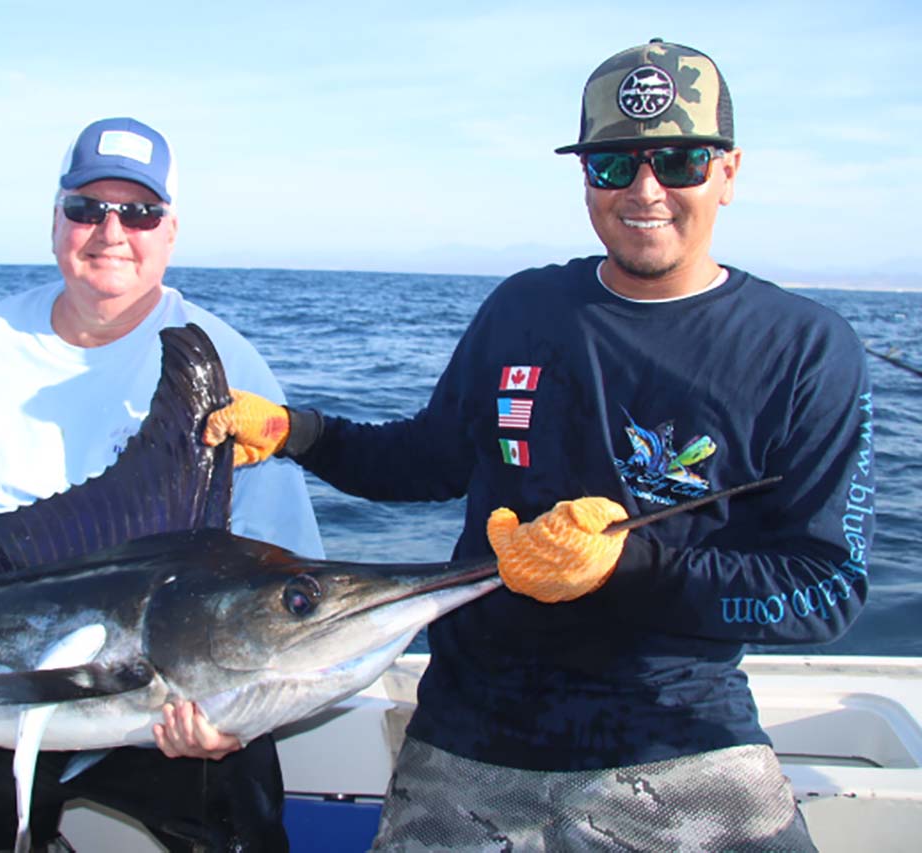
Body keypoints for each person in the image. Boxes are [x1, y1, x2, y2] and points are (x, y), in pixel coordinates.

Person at [205, 39, 874, 851]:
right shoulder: (524, 306)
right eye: (613, 165)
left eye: (680, 160)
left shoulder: (804, 346)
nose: (646, 190)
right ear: (585, 177)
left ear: (729, 172)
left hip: (684, 741)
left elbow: (822, 591)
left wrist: (623, 565)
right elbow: (425, 459)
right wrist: (296, 433)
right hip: (471, 737)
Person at [0, 116, 323, 853]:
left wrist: (236, 717)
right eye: (87, 208)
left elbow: (279, 580)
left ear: (170, 231)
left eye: (139, 212)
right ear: (56, 222)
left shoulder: (229, 366)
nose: (111, 230)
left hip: (173, 716)